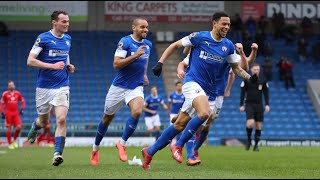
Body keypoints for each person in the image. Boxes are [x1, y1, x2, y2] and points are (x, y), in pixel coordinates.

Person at [142, 11, 258, 170]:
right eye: (223, 24)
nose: (226, 27)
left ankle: (149, 151)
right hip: (192, 83)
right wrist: (160, 63)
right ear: (214, 23)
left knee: (180, 125)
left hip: (208, 92)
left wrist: (249, 78)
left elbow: (236, 68)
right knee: (204, 114)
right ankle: (179, 146)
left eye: (229, 25)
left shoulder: (228, 46)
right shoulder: (199, 37)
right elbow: (175, 45)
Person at [174, 42, 258, 166]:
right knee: (198, 121)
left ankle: (194, 147)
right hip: (204, 90)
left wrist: (248, 51)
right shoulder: (205, 52)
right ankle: (189, 153)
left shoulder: (229, 54)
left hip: (218, 94)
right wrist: (180, 69)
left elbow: (245, 65)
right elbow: (184, 57)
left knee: (207, 126)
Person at [89, 17, 152, 166]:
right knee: (106, 119)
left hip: (136, 86)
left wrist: (144, 74)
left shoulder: (148, 45)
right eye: (142, 27)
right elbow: (116, 64)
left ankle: (122, 144)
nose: (145, 30)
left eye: (147, 27)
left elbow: (146, 60)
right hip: (119, 87)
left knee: (137, 112)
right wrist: (135, 55)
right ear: (134, 27)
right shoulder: (125, 42)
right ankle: (95, 149)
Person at [26, 10, 75, 166]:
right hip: (44, 87)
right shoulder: (43, 38)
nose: (67, 24)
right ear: (54, 22)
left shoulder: (68, 38)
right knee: (44, 122)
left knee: (61, 119)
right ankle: (36, 126)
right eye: (63, 22)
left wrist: (68, 65)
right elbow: (30, 61)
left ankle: (57, 154)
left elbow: (65, 54)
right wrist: (51, 66)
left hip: (62, 85)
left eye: (68, 21)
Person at [240, 63, 269, 152]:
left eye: (258, 69)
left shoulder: (263, 79)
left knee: (258, 126)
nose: (257, 71)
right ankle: (249, 141)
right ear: (251, 70)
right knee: (250, 123)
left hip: (259, 105)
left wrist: (267, 104)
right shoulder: (247, 79)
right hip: (249, 104)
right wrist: (241, 104)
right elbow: (242, 92)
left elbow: (266, 92)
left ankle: (256, 145)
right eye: (255, 69)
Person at [0, 81, 26, 149]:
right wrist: (2, 112)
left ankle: (14, 141)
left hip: (16, 113)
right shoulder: (5, 94)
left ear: (14, 86)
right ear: (8, 87)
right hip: (8, 113)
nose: (11, 86)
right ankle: (9, 144)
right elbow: (1, 103)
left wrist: (22, 109)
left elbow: (23, 101)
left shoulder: (17, 93)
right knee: (8, 128)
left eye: (12, 85)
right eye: (10, 85)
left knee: (19, 127)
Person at [167, 81, 184, 148]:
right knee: (172, 128)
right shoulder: (172, 95)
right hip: (173, 113)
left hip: (181, 114)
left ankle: (179, 142)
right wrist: (168, 111)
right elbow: (169, 103)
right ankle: (170, 142)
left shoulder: (184, 95)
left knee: (180, 128)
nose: (179, 87)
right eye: (178, 86)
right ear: (176, 87)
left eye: (180, 86)